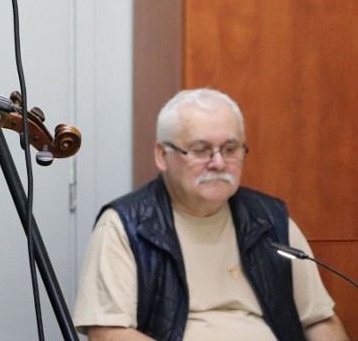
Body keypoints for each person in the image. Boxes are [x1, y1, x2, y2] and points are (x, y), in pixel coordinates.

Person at [73, 88, 349, 341]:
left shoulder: (271, 220)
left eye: (230, 150)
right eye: (201, 150)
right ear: (161, 155)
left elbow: (319, 320)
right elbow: (108, 332)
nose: (218, 163)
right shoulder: (126, 225)